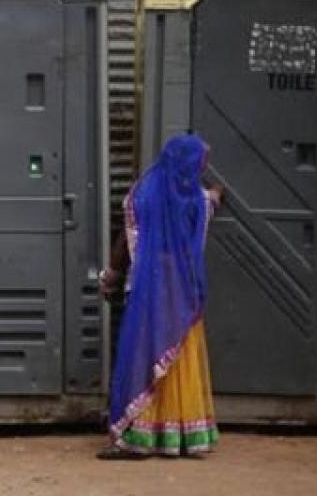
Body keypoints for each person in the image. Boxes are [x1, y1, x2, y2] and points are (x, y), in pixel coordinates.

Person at [98, 134, 224, 459]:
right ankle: (183, 436)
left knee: (145, 356)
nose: (201, 169)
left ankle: (141, 437)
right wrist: (215, 194)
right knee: (178, 358)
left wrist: (111, 276)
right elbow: (210, 204)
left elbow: (125, 242)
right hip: (182, 296)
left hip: (147, 293)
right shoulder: (196, 199)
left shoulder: (142, 194)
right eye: (199, 163)